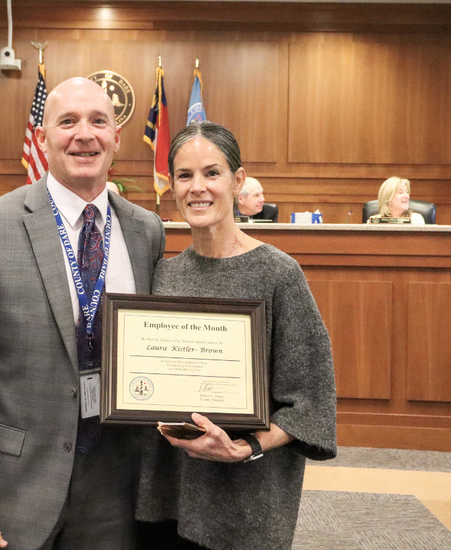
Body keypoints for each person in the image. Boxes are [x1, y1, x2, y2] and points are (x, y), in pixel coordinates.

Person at [0, 77, 166, 550]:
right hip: (10, 481)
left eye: (99, 121)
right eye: (67, 122)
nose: (84, 135)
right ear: (42, 138)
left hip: (113, 482)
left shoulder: (145, 230)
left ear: (117, 136)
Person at [135, 122, 336, 550]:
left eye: (212, 173)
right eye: (185, 176)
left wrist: (248, 448)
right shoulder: (162, 275)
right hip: (168, 489)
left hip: (247, 495)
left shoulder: (279, 274)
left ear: (237, 181)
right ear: (172, 186)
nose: (198, 188)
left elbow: (311, 400)